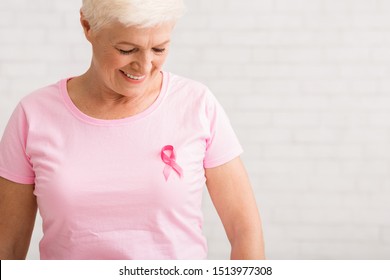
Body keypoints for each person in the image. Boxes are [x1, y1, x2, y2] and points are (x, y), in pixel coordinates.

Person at [0, 0, 265, 260]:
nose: (144, 65)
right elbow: (7, 249)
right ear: (87, 26)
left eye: (159, 49)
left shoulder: (197, 105)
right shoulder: (33, 115)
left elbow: (245, 231)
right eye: (127, 49)